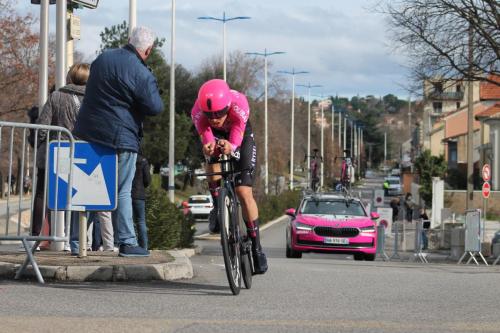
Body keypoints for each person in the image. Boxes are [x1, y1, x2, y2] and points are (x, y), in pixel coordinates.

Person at [73, 26, 163, 257]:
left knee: (88, 187)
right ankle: (127, 242)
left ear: (129, 40)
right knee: (122, 190)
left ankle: (75, 242)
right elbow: (155, 107)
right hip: (121, 137)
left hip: (89, 132)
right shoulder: (141, 73)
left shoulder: (103, 58)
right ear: (148, 50)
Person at [191, 79, 267, 274]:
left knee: (243, 191)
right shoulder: (198, 113)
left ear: (227, 107)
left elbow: (236, 136)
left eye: (218, 113)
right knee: (212, 159)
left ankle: (257, 247)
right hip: (216, 135)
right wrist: (210, 147)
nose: (214, 118)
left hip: (239, 135)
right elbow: (207, 136)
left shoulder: (239, 104)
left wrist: (231, 147)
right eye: (210, 115)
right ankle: (217, 206)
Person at [33, 63, 91, 252]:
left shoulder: (56, 96)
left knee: (44, 194)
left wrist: (40, 143)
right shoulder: (93, 100)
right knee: (78, 196)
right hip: (83, 154)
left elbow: (43, 126)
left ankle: (36, 237)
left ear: (70, 76)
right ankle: (74, 240)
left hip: (57, 153)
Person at [132, 152, 151, 250]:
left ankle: (131, 245)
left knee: (128, 220)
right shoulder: (143, 161)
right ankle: (144, 247)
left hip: (126, 194)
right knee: (141, 221)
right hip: (139, 194)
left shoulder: (126, 158)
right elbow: (147, 180)